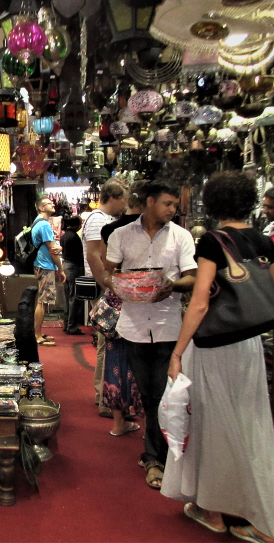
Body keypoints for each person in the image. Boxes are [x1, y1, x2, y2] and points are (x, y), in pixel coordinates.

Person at [162, 172, 274, 543]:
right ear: (249, 201)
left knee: (211, 424)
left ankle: (213, 511)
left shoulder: (213, 242)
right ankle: (259, 517)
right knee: (251, 425)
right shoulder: (262, 239)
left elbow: (199, 304)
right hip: (248, 346)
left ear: (212, 205)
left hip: (214, 345)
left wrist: (177, 352)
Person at [102, 179, 197, 490]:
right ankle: (157, 454)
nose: (173, 209)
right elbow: (109, 271)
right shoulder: (121, 235)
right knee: (148, 392)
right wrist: (119, 285)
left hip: (170, 325)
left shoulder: (182, 237)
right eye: (168, 204)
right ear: (151, 202)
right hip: (133, 326)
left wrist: (171, 286)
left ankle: (155, 457)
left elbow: (192, 278)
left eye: (174, 205)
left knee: (163, 392)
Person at [99, 181, 148, 437]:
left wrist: (108, 284)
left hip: (118, 300)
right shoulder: (150, 232)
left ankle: (119, 422)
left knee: (116, 362)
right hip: (140, 305)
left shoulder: (110, 230)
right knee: (143, 365)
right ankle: (147, 429)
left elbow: (108, 268)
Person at [82, 178, 128, 416]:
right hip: (103, 284)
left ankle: (105, 393)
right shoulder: (98, 220)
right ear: (113, 197)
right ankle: (103, 394)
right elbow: (93, 255)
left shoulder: (109, 220)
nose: (126, 203)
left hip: (107, 284)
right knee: (105, 340)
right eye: (124, 198)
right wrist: (107, 283)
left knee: (107, 340)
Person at [32, 196, 66, 347]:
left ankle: (38, 332)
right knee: (43, 300)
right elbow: (52, 250)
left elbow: (52, 247)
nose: (53, 205)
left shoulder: (37, 222)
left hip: (42, 264)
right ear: (41, 207)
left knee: (43, 300)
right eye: (49, 203)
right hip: (45, 265)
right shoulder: (44, 225)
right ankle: (37, 335)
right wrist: (61, 268)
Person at [60, 216, 85, 335]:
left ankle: (66, 324)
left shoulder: (64, 236)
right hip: (74, 267)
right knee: (74, 297)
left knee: (68, 296)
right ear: (77, 225)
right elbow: (80, 253)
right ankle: (72, 326)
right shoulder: (74, 237)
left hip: (66, 266)